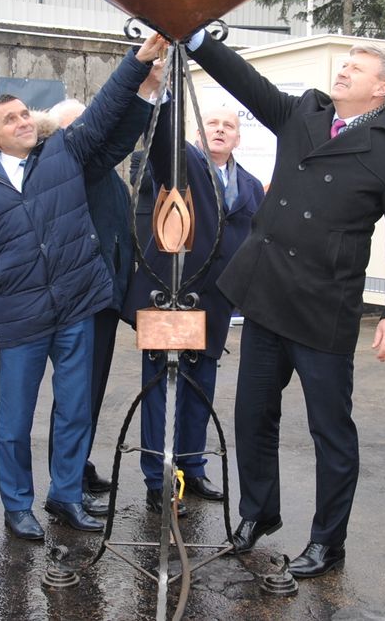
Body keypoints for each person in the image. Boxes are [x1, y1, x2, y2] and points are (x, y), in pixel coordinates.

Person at [186, 30, 385, 579]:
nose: (342, 72)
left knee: (330, 431)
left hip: (325, 306)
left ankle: (327, 541)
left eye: (356, 69)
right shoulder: (304, 114)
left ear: (381, 89)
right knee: (252, 415)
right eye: (343, 65)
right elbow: (246, 83)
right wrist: (199, 37)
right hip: (268, 294)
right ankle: (258, 514)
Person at [0, 34, 167, 541]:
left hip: (75, 308)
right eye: (11, 120)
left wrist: (136, 63)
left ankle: (65, 495)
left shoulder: (62, 154)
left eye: (26, 114)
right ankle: (17, 505)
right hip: (22, 317)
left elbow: (108, 107)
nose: (24, 122)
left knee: (74, 409)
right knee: (14, 421)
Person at [122, 105, 264, 515]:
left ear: (238, 138)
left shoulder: (252, 186)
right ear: (200, 135)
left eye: (229, 126)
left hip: (216, 305)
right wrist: (162, 91)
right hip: (170, 300)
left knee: (200, 393)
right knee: (161, 393)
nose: (220, 130)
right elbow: (164, 137)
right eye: (213, 124)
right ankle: (158, 481)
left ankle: (192, 468)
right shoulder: (182, 164)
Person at [45, 85, 161, 515]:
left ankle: (77, 465)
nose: (89, 131)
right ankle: (66, 481)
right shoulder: (74, 164)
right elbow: (117, 139)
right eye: (78, 125)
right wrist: (143, 94)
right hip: (83, 297)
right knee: (76, 394)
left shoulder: (100, 171)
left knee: (89, 392)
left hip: (105, 295)